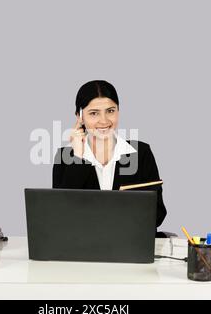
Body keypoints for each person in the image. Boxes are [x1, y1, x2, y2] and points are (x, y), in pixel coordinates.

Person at [52, 80, 167, 227]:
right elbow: (60, 216)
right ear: (79, 116)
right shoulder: (64, 158)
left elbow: (157, 215)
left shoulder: (141, 153)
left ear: (118, 111)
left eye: (110, 111)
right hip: (82, 246)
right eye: (94, 113)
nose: (104, 120)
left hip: (130, 244)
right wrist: (78, 157)